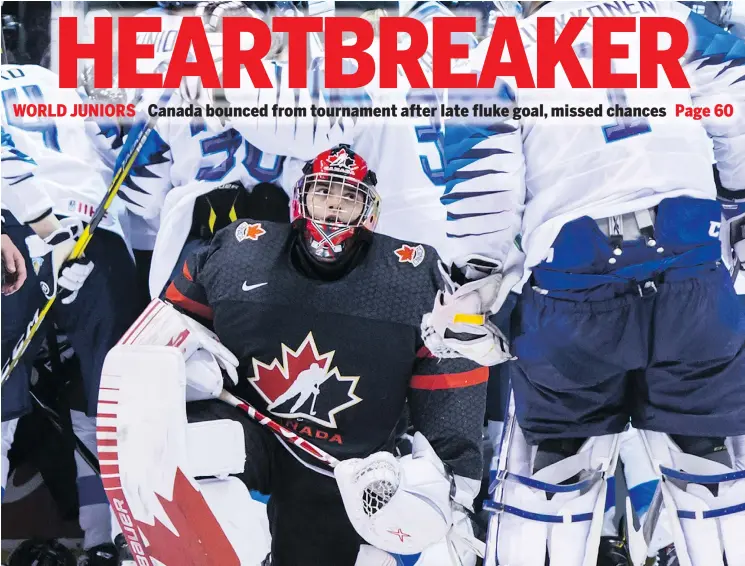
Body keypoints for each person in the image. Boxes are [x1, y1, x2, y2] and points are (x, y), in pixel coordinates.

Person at [437, 2, 745, 565]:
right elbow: (738, 98)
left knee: (547, 486)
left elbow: (483, 170)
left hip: (573, 284)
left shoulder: (498, 51)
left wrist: (477, 278)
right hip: (692, 269)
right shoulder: (672, 18)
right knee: (718, 480)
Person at [107, 144, 489, 566]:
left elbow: (453, 380)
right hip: (251, 438)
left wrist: (456, 489)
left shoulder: (411, 278)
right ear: (301, 198)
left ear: (369, 212)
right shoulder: (237, 254)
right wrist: (184, 368)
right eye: (324, 193)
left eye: (348, 199)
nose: (333, 209)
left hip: (347, 469)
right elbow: (156, 342)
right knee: (190, 442)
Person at [0, 61, 139, 566]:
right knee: (116, 404)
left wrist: (46, 233)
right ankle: (115, 540)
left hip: (17, 227)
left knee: (2, 408)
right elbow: (118, 146)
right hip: (96, 228)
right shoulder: (54, 77)